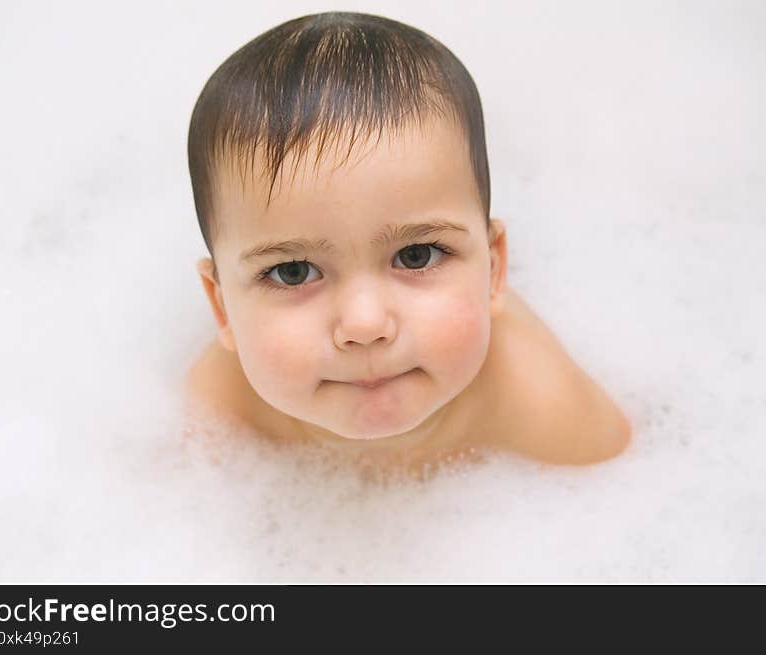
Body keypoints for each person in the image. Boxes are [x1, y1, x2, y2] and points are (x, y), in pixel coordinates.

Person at [183, 11, 631, 480]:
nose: (365, 324)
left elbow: (627, 495)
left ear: (495, 271)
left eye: (416, 255)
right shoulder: (221, 410)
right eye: (292, 271)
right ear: (223, 308)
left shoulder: (541, 402)